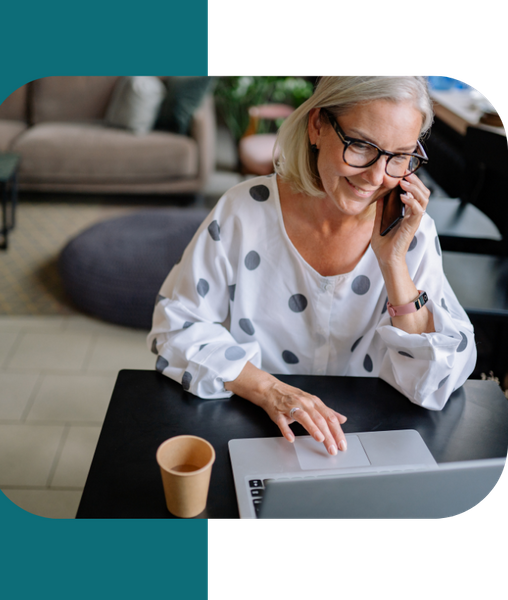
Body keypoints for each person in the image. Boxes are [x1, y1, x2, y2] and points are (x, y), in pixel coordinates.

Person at [147, 74, 477, 457]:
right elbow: (174, 327)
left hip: (368, 440)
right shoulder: (244, 212)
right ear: (317, 125)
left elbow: (435, 381)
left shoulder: (410, 232)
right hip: (257, 426)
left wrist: (393, 263)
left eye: (400, 156)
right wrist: (271, 390)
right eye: (360, 146)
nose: (376, 176)